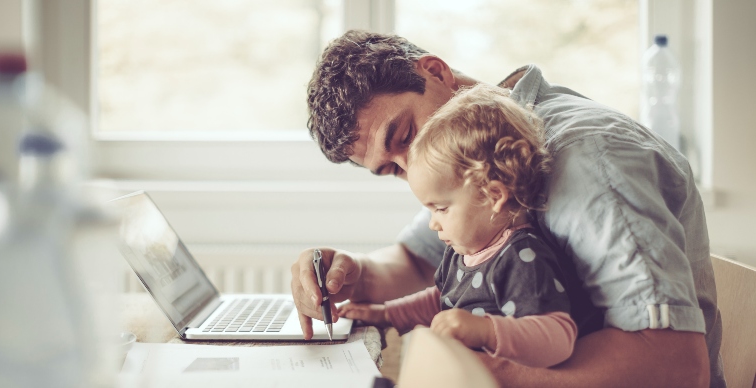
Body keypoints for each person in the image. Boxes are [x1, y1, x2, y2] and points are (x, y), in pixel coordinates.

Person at [293, 30, 720, 387]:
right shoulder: (473, 152)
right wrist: (351, 274)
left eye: (405, 134)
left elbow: (677, 365)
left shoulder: (584, 158)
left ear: (437, 72)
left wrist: (490, 374)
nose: (412, 167)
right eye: (392, 170)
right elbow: (420, 259)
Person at [337, 83, 593, 368]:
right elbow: (441, 300)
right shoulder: (463, 254)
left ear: (493, 195)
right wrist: (386, 314)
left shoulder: (522, 257)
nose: (433, 223)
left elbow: (557, 338)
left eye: (441, 208)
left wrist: (484, 330)